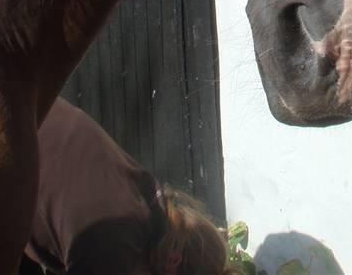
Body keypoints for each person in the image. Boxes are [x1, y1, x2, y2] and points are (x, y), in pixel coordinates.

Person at [21, 97, 237, 275]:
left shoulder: (146, 204)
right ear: (172, 262)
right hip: (3, 133)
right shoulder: (114, 244)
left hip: (22, 113)